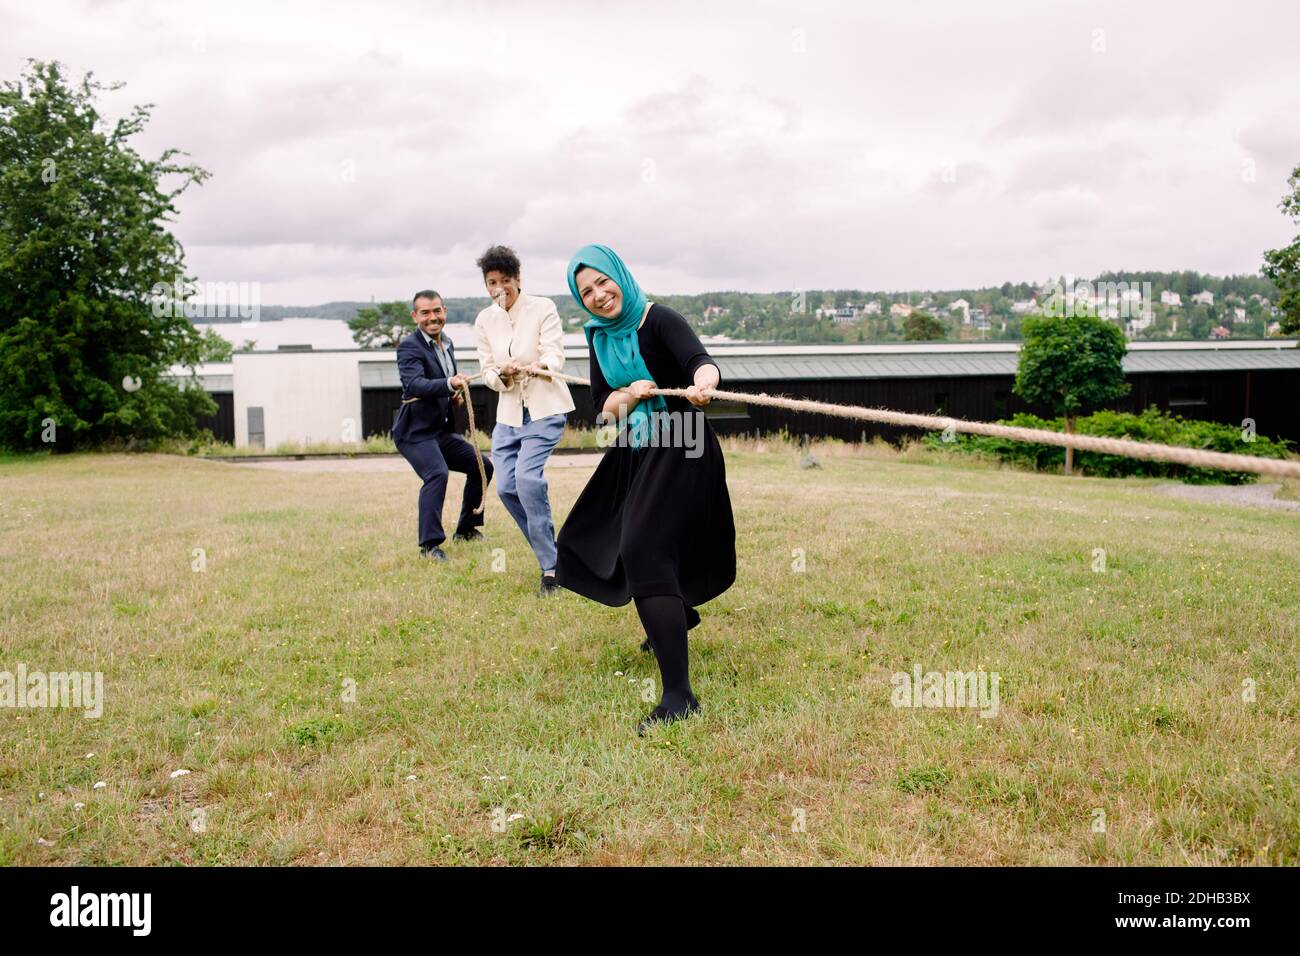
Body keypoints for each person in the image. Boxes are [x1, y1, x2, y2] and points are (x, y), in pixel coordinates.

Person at [555, 244, 736, 735]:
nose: (597, 295)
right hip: (637, 446)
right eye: (585, 290)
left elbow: (702, 362)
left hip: (685, 442)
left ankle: (680, 696)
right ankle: (678, 615)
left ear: (620, 276)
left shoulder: (660, 320)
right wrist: (626, 395)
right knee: (598, 537)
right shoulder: (598, 337)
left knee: (642, 547)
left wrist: (703, 383)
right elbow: (602, 409)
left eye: (602, 282)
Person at [474, 245, 575, 596]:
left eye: (505, 281)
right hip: (508, 415)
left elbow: (555, 352)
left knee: (528, 480)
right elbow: (486, 369)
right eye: (492, 282)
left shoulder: (543, 307)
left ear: (518, 279)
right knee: (505, 487)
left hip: (544, 409)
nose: (499, 288)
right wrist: (500, 374)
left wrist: (542, 366)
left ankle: (551, 569)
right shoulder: (484, 320)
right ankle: (550, 552)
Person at [392, 289, 494, 561]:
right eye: (425, 312)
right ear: (415, 316)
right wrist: (449, 385)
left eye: (437, 311)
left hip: (440, 432)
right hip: (414, 433)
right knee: (437, 474)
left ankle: (467, 530)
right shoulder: (409, 347)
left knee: (482, 466)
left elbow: (442, 383)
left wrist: (453, 397)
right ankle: (429, 546)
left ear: (445, 312)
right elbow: (415, 384)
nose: (432, 317)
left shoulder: (447, 344)